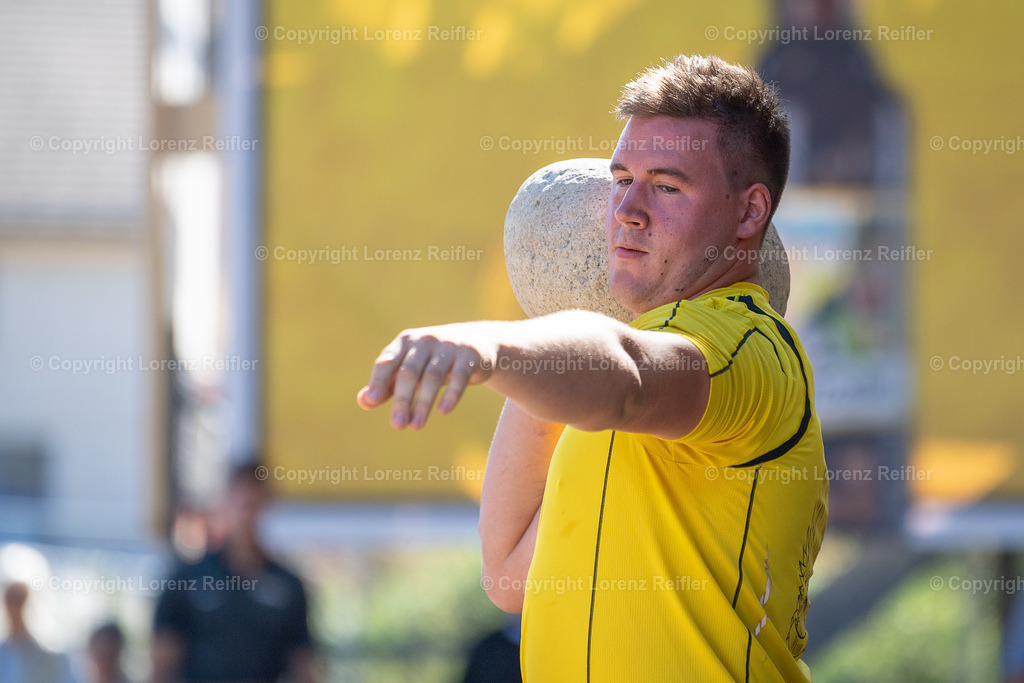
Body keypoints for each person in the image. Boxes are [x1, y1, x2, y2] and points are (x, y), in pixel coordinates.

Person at [358, 54, 828, 681]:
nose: (626, 210)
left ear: (748, 214)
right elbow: (510, 575)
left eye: (667, 186)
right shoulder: (606, 397)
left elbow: (630, 377)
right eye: (620, 179)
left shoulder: (747, 344)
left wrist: (488, 347)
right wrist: (556, 315)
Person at [151, 463, 318, 683]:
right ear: (225, 503)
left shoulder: (287, 586)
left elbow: (302, 664)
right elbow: (162, 664)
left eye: (254, 505)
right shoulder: (187, 579)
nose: (246, 516)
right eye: (241, 505)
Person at [0, 582, 75, 682]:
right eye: (11, 603)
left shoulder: (53, 658)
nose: (15, 611)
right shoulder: (3, 655)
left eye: (19, 603)